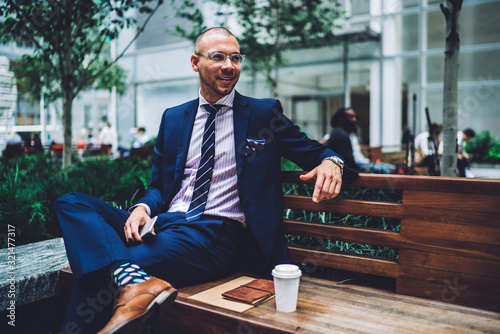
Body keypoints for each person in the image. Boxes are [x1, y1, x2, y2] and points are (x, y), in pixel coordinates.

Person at [53, 27, 345, 334]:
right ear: (195, 62)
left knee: (105, 269)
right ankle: (133, 280)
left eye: (235, 58)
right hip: (164, 224)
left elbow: (316, 151)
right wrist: (141, 208)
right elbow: (159, 187)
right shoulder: (174, 118)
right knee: (71, 202)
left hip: (216, 234)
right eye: (218, 57)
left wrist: (331, 161)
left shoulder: (262, 114)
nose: (229, 66)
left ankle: (124, 282)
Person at [323, 106, 395, 173]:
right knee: (389, 170)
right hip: (358, 165)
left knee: (391, 168)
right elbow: (322, 144)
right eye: (351, 117)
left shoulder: (351, 134)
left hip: (364, 163)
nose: (354, 119)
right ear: (341, 118)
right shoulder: (338, 134)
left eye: (355, 117)